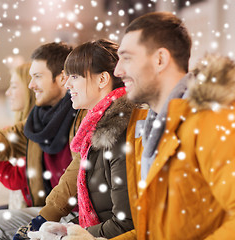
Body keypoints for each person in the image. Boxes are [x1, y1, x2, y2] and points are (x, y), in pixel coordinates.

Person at [108, 12, 235, 239]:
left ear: (160, 60)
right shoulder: (157, 127)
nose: (117, 71)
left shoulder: (212, 122)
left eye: (126, 58)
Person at [0, 42, 86, 239]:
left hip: (77, 215)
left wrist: (42, 219)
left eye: (38, 77)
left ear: (61, 78)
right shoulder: (40, 118)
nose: (31, 85)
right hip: (49, 210)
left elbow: (76, 174)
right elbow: (5, 138)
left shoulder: (81, 118)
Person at [18, 39, 135, 239]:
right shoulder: (95, 124)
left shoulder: (117, 134)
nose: (67, 83)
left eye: (74, 76)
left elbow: (124, 223)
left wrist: (68, 235)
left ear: (102, 80)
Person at [0, 62, 35, 209]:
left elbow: (14, 179)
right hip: (27, 203)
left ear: (29, 89)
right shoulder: (23, 126)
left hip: (36, 210)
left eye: (14, 86)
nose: (7, 93)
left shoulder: (36, 130)